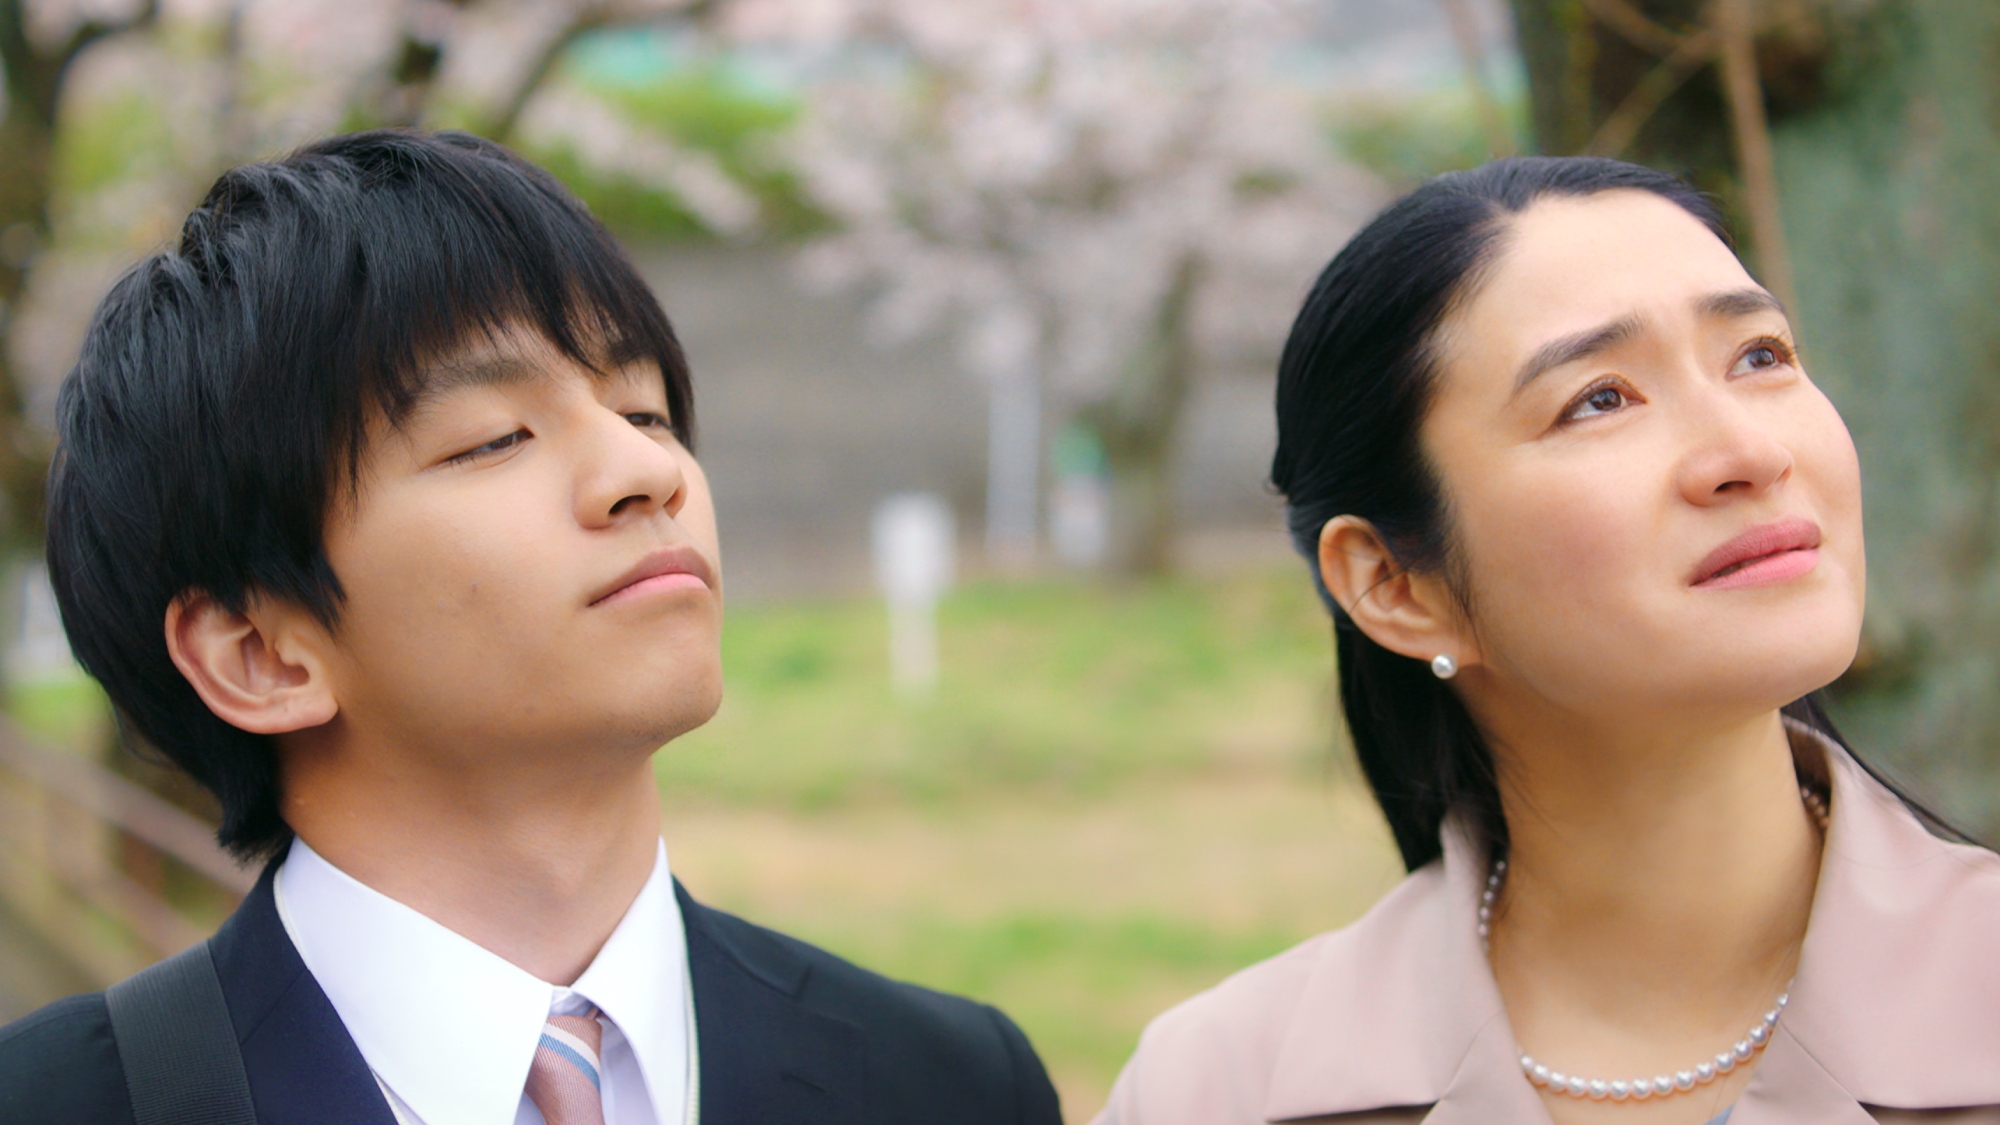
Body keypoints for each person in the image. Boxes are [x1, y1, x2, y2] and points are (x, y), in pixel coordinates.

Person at [0, 129, 1063, 1125]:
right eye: (495, 438)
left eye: (644, 411)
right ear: (260, 654)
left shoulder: (950, 1086)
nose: (646, 470)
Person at [1095, 157, 2000, 1124]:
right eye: (1600, 398)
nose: (1751, 452)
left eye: (1759, 356)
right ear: (1395, 584)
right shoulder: (1218, 1087)